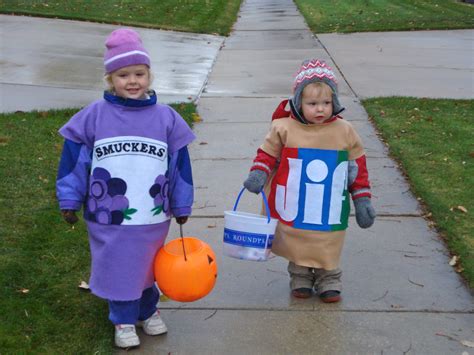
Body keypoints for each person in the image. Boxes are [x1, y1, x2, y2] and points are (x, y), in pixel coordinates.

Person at [56, 28, 195, 348]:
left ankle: (147, 310)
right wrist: (69, 198)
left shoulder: (166, 118)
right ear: (110, 79)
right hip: (109, 216)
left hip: (151, 215)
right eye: (123, 75)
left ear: (149, 75)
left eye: (139, 73)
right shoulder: (94, 116)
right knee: (119, 264)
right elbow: (74, 160)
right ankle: (122, 320)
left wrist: (182, 203)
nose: (132, 81)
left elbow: (179, 166)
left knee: (148, 263)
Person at [243, 59, 375, 303]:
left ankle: (329, 278)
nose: (320, 109)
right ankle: (300, 275)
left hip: (329, 203)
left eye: (326, 103)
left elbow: (358, 166)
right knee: (296, 237)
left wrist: (362, 198)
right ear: (298, 102)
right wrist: (259, 173)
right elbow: (268, 153)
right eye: (312, 103)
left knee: (326, 240)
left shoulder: (344, 131)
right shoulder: (284, 128)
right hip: (293, 199)